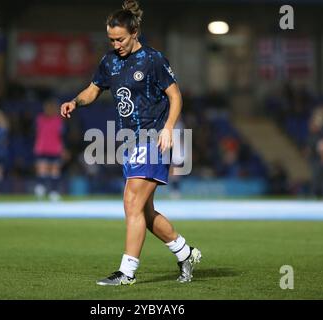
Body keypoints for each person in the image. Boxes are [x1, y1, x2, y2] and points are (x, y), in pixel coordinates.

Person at [61, 0, 201, 286]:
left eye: (120, 39)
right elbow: (93, 89)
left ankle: (127, 272)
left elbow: (176, 96)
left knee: (131, 202)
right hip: (129, 142)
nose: (116, 44)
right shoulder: (109, 61)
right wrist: (75, 101)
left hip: (153, 136)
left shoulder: (153, 59)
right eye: (111, 39)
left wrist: (168, 128)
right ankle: (185, 253)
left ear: (135, 32)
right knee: (145, 213)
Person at [34, 99, 66, 201]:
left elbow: (61, 136)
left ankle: (54, 192)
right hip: (42, 148)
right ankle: (41, 189)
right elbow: (36, 134)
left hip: (55, 148)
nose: (49, 110)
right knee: (42, 169)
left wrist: (63, 149)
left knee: (55, 171)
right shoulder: (40, 119)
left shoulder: (58, 120)